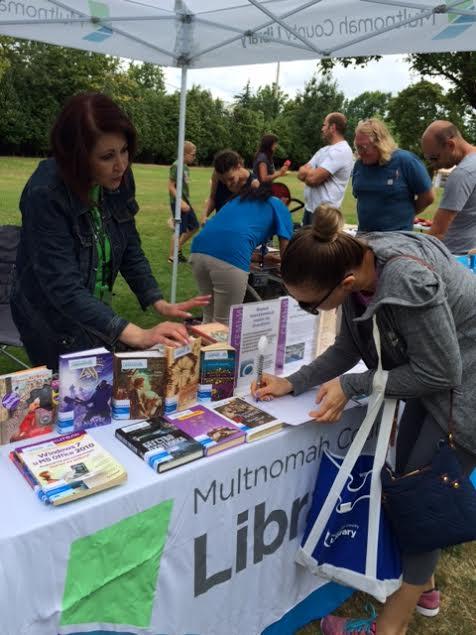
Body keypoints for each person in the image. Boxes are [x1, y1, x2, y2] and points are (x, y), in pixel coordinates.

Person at [251, 204, 476, 635]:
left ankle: (388, 628)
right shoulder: (353, 263)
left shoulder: (406, 281)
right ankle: (423, 588)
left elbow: (441, 371)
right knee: (407, 483)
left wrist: (354, 386)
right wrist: (293, 382)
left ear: (346, 283)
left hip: (465, 391)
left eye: (311, 305)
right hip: (439, 385)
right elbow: (348, 348)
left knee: (422, 503)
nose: (309, 311)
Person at [10, 92, 209, 372]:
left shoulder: (119, 178)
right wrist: (138, 334)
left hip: (93, 303)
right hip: (48, 316)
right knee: (76, 395)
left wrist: (156, 299)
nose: (121, 165)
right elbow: (62, 286)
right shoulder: (45, 194)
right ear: (77, 156)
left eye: (124, 150)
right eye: (107, 156)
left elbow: (128, 243)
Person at [190, 182, 293, 325]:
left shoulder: (241, 199)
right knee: (224, 323)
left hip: (198, 252)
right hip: (229, 258)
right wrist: (288, 273)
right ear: (285, 200)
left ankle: (202, 345)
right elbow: (286, 248)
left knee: (208, 318)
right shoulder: (279, 205)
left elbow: (227, 236)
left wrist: (260, 257)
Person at [352, 118, 434, 232]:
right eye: (357, 146)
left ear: (380, 144)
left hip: (397, 237)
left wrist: (406, 215)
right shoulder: (359, 165)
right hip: (364, 236)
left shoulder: (406, 161)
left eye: (363, 148)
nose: (359, 152)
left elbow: (428, 197)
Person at [422, 120, 476, 254]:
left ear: (450, 145)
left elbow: (438, 233)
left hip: (454, 256)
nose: (433, 165)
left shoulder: (462, 174)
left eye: (435, 158)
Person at [297, 112, 354, 226]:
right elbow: (300, 174)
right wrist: (312, 173)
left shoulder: (341, 151)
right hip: (310, 210)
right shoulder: (323, 150)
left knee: (320, 244)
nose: (322, 129)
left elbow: (312, 180)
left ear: (332, 128)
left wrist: (310, 173)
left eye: (324, 125)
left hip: (326, 214)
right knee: (307, 243)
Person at [201, 150, 258, 224]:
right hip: (221, 226)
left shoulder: (254, 183)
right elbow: (212, 198)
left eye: (231, 178)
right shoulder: (216, 175)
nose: (228, 184)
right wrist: (204, 216)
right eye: (223, 180)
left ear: (238, 167)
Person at [168, 140, 200, 263]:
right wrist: (180, 202)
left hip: (185, 202)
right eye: (192, 154)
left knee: (194, 226)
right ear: (184, 154)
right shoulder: (176, 166)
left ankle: (177, 249)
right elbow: (171, 186)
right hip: (178, 202)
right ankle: (172, 257)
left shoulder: (185, 167)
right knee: (178, 229)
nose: (194, 157)